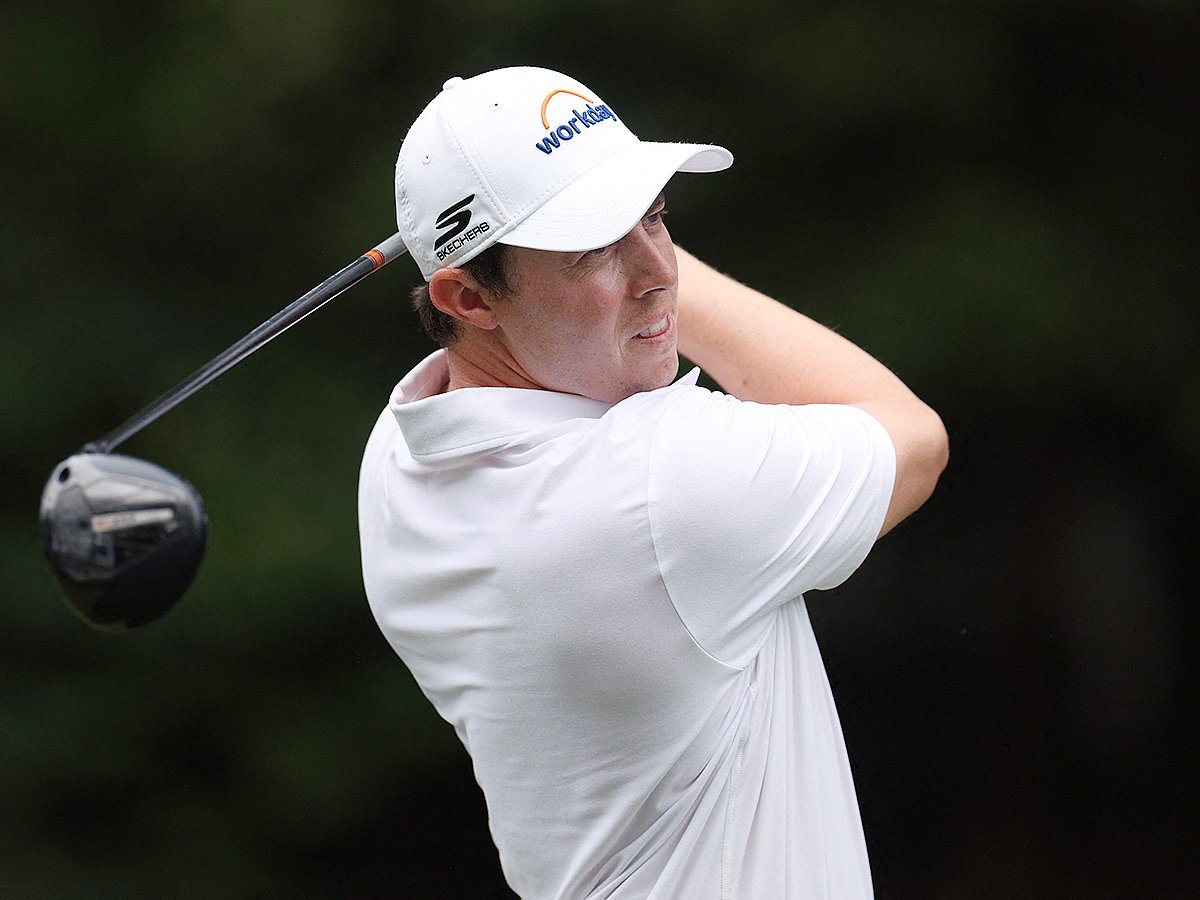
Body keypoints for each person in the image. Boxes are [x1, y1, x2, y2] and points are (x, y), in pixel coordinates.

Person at [358, 66, 948, 899]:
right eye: (596, 245)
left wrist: (613, 243)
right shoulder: (659, 483)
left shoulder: (397, 458)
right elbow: (914, 439)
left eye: (657, 216)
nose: (658, 268)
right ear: (467, 297)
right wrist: (655, 271)